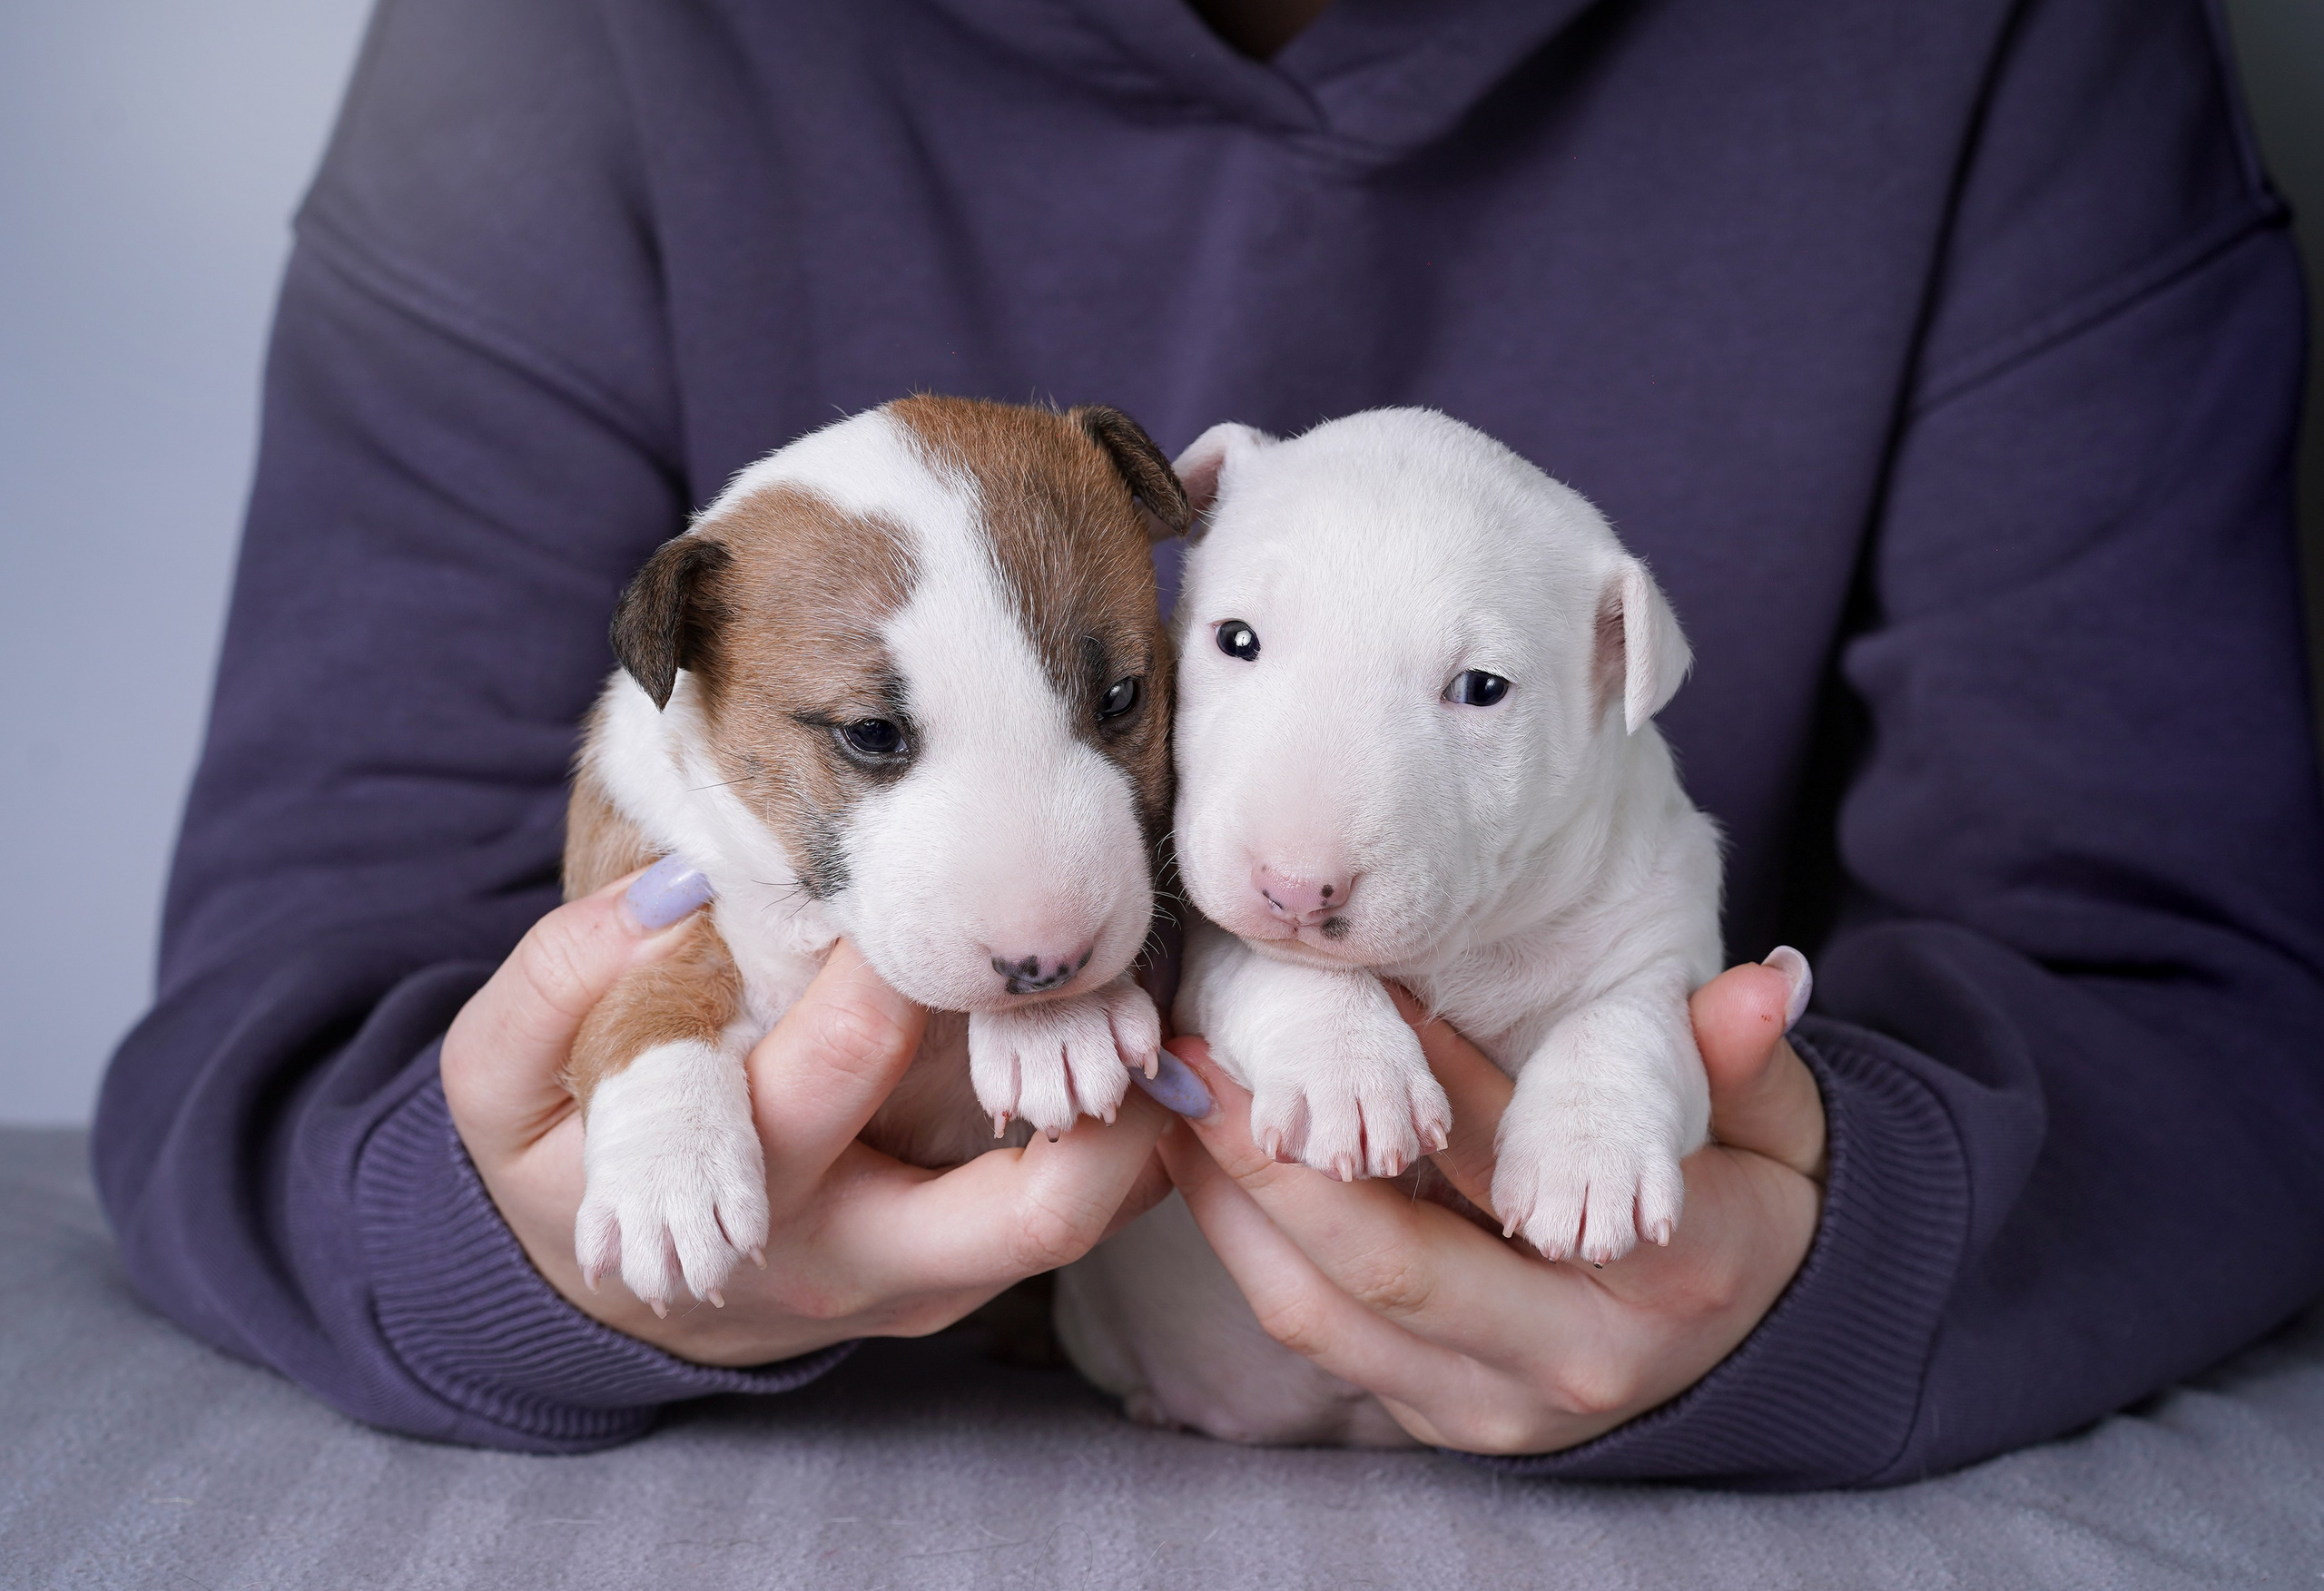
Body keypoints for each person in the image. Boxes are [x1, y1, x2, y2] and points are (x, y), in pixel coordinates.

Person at [97, 0, 2324, 1486]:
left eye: (1122, 697)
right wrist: (530, 1232)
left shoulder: (2016, 48)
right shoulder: (559, 49)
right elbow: (275, 1034)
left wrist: (1845, 1254)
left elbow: (2200, 1011)